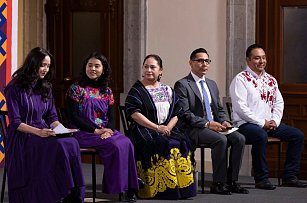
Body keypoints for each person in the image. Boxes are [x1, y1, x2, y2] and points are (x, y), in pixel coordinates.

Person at [4, 47, 85, 203]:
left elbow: (51, 117)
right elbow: (15, 123)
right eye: (42, 65)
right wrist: (38, 132)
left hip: (44, 133)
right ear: (32, 63)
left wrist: (62, 129)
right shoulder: (14, 87)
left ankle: (70, 194)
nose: (45, 70)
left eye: (48, 66)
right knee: (59, 146)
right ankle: (53, 193)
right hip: (23, 137)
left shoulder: (45, 87)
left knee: (71, 142)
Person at [229, 43, 307, 189]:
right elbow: (241, 108)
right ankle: (261, 179)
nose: (261, 61)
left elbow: (279, 102)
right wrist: (261, 122)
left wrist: (275, 121)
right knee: (260, 135)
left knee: (297, 135)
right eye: (257, 58)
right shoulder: (240, 80)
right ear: (248, 60)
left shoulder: (271, 79)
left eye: (263, 58)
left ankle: (290, 176)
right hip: (245, 124)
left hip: (270, 124)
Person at [66, 51, 139, 201]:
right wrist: (96, 130)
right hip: (83, 132)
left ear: (103, 69)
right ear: (85, 67)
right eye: (90, 65)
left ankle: (131, 187)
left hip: (104, 131)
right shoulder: (76, 89)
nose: (93, 69)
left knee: (127, 143)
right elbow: (73, 117)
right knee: (115, 145)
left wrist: (109, 131)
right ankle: (118, 186)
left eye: (97, 66)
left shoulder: (107, 91)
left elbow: (111, 117)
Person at [174, 48, 248, 195]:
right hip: (195, 128)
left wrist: (225, 121)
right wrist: (208, 124)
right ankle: (218, 183)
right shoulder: (182, 84)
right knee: (221, 140)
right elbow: (185, 114)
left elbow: (219, 109)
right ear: (191, 63)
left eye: (207, 61)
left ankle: (231, 181)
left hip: (215, 126)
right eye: (200, 61)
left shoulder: (212, 84)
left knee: (239, 138)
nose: (204, 64)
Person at [125, 54, 196, 200]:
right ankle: (161, 189)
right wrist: (157, 128)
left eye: (153, 67)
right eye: (146, 67)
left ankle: (183, 189)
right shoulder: (137, 90)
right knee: (161, 144)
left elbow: (177, 112)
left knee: (181, 142)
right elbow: (134, 114)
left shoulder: (168, 89)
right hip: (144, 129)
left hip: (167, 128)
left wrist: (168, 127)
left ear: (161, 70)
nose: (149, 70)